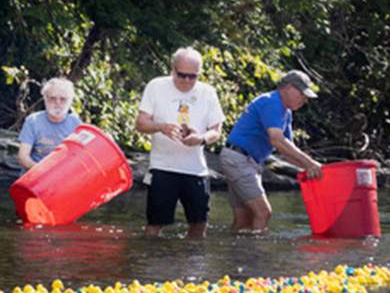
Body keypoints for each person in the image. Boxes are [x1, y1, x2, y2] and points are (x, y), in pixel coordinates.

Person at [135, 47, 224, 237]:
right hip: (163, 167)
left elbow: (216, 131)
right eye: (182, 75)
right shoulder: (156, 86)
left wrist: (200, 139)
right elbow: (141, 124)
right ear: (172, 69)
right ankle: (150, 262)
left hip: (195, 169)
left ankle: (191, 265)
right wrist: (161, 127)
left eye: (193, 77)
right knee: (155, 224)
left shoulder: (207, 92)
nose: (187, 81)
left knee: (199, 224)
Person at [220, 70, 323, 232]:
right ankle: (258, 254)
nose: (305, 100)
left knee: (243, 220)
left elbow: (287, 148)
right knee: (263, 212)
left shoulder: (286, 112)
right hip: (239, 159)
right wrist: (310, 163)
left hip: (243, 160)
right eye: (302, 94)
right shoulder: (271, 102)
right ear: (288, 87)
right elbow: (276, 140)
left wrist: (310, 168)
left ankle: (238, 255)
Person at [17, 78, 82, 171]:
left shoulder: (76, 125)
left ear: (70, 101)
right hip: (34, 177)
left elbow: (81, 158)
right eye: (53, 98)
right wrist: (43, 172)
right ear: (45, 99)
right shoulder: (33, 121)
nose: (57, 103)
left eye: (63, 99)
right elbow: (22, 157)